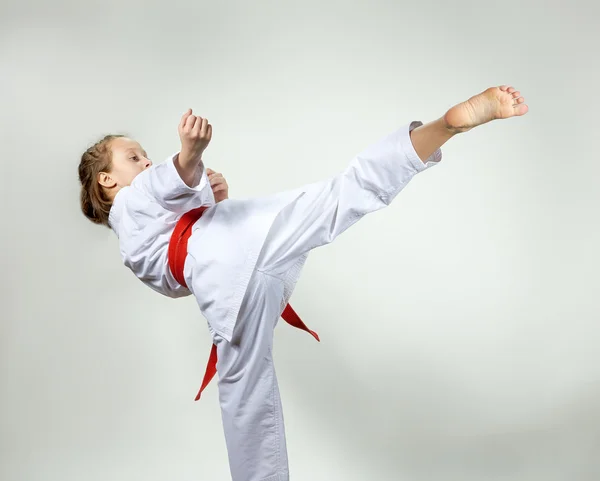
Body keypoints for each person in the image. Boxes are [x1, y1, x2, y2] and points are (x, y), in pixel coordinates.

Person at [78, 85, 528, 481]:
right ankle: (443, 128)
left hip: (231, 282)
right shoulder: (131, 205)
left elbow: (178, 271)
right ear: (107, 180)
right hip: (243, 246)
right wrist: (189, 160)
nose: (148, 161)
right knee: (345, 194)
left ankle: (447, 126)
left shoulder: (137, 243)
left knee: (247, 402)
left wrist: (206, 196)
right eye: (134, 157)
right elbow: (160, 193)